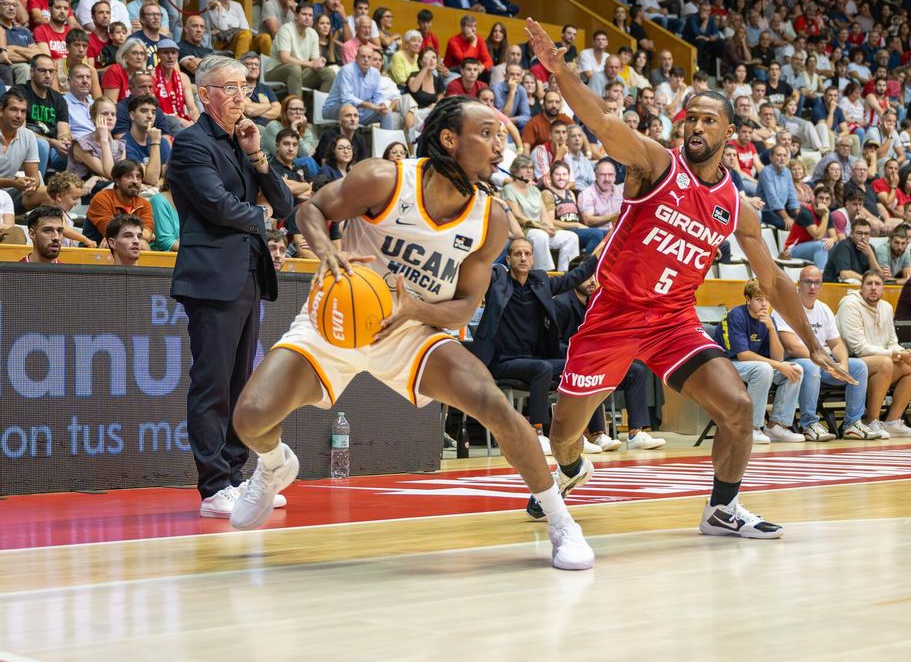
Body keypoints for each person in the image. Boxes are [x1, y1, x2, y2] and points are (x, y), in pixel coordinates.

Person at [228, 96, 594, 570]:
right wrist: (327, 253)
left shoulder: (493, 219)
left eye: (502, 135)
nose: (499, 143)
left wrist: (415, 308)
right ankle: (275, 463)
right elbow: (311, 211)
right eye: (486, 132)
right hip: (337, 318)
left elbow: (464, 304)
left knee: (493, 402)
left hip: (412, 330)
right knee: (250, 418)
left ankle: (561, 520)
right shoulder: (385, 178)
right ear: (449, 138)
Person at [524, 18, 852, 538]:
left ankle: (722, 508)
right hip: (614, 313)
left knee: (739, 407)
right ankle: (569, 471)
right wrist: (560, 71)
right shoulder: (655, 164)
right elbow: (606, 125)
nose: (696, 127)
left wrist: (812, 346)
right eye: (689, 119)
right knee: (566, 434)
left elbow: (772, 281)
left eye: (707, 121)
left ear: (728, 132)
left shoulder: (735, 207)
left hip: (673, 320)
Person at [168, 56, 295, 517]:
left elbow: (282, 202)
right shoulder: (190, 143)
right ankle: (214, 487)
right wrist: (258, 217)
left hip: (246, 276)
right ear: (205, 95)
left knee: (241, 386)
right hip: (211, 278)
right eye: (230, 87)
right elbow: (217, 206)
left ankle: (237, 478)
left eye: (244, 85)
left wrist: (258, 155)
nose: (241, 95)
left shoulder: (243, 141)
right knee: (212, 384)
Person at [472, 237, 599, 452]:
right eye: (518, 254)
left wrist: (604, 248)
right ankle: (536, 432)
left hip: (533, 359)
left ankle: (590, 433)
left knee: (582, 365)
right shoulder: (497, 281)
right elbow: (478, 267)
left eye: (527, 254)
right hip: (503, 361)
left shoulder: (540, 283)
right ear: (509, 259)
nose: (523, 258)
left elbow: (574, 276)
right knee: (544, 368)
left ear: (533, 259)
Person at [554, 254, 665, 450]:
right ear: (574, 276)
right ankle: (597, 434)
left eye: (594, 276)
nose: (592, 281)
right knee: (592, 368)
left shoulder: (599, 301)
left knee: (636, 371)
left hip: (598, 358)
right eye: (587, 276)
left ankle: (636, 433)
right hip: (568, 362)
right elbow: (554, 344)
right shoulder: (561, 303)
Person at [778, 266, 876, 439]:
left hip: (825, 362)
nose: (812, 287)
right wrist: (825, 360)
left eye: (817, 283)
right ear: (799, 284)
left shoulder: (824, 309)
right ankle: (809, 424)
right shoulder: (786, 307)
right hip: (798, 361)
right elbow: (791, 346)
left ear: (822, 286)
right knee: (811, 366)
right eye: (808, 282)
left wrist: (843, 365)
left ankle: (853, 423)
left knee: (859, 367)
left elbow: (837, 344)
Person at [835, 270, 911, 437]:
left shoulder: (886, 307)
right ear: (861, 288)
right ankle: (872, 421)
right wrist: (895, 354)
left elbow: (892, 341)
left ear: (884, 290)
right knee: (885, 363)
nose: (873, 288)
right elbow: (858, 348)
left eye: (877, 285)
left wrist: (903, 352)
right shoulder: (849, 304)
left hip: (881, 360)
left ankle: (892, 421)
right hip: (850, 362)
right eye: (869, 284)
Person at [715, 279, 805, 444]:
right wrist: (778, 366)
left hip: (756, 366)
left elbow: (778, 358)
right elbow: (743, 355)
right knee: (764, 369)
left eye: (767, 299)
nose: (764, 304)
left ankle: (777, 426)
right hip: (726, 364)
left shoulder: (769, 320)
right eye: (758, 299)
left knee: (796, 369)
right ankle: (751, 428)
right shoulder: (736, 316)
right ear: (748, 299)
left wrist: (771, 329)